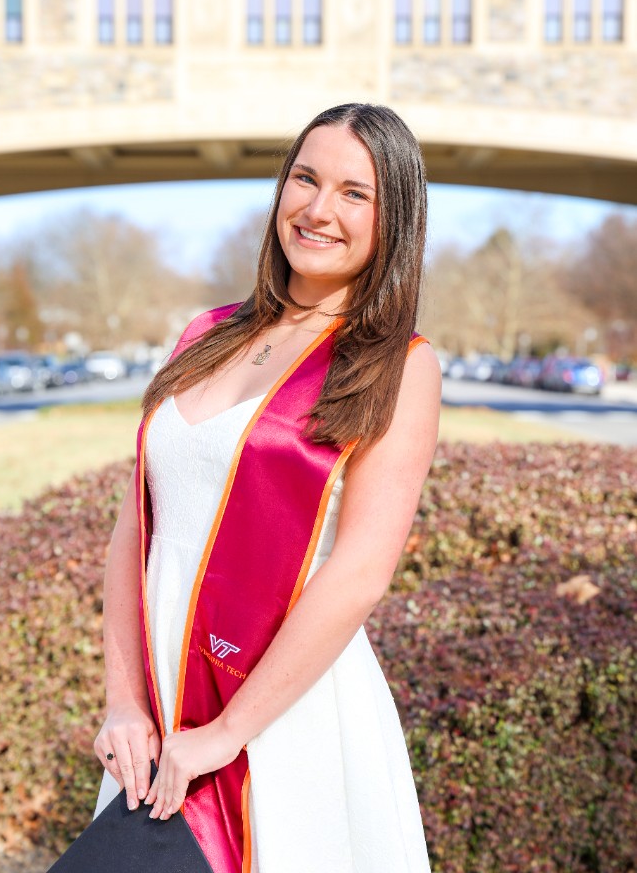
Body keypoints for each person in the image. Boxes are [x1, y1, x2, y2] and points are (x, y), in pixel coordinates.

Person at [92, 103, 441, 873]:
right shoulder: (204, 333)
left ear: (394, 220)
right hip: (159, 702)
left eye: (355, 193)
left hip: (283, 709)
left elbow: (360, 571)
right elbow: (137, 528)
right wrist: (123, 701)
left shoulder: (395, 365)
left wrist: (228, 732)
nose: (318, 209)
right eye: (305, 179)